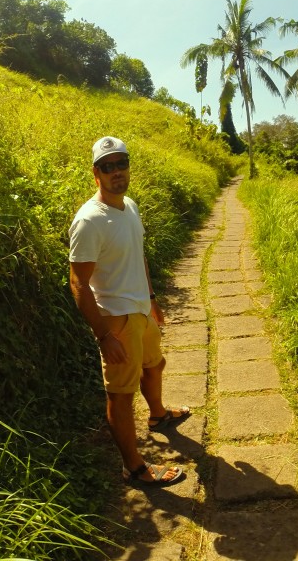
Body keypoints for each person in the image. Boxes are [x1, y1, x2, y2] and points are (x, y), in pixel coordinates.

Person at [68, 136, 191, 489]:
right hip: (116, 319)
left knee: (156, 364)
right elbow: (78, 284)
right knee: (120, 395)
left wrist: (151, 298)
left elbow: (138, 256)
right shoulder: (90, 221)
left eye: (122, 163)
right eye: (108, 166)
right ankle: (134, 468)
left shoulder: (130, 206)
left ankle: (158, 415)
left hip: (140, 308)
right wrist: (104, 335)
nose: (117, 171)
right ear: (96, 174)